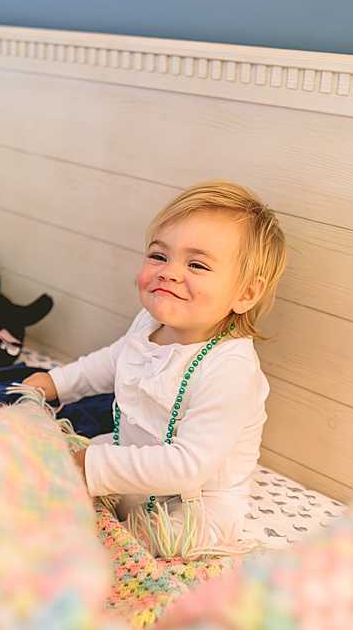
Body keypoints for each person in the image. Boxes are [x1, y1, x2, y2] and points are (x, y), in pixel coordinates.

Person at [22, 181, 288, 548]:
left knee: (161, 543)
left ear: (245, 293)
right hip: (130, 458)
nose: (169, 272)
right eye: (159, 256)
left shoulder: (230, 368)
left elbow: (188, 466)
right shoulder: (149, 324)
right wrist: (54, 383)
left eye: (196, 264)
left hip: (196, 498)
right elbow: (112, 361)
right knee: (48, 465)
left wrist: (93, 467)